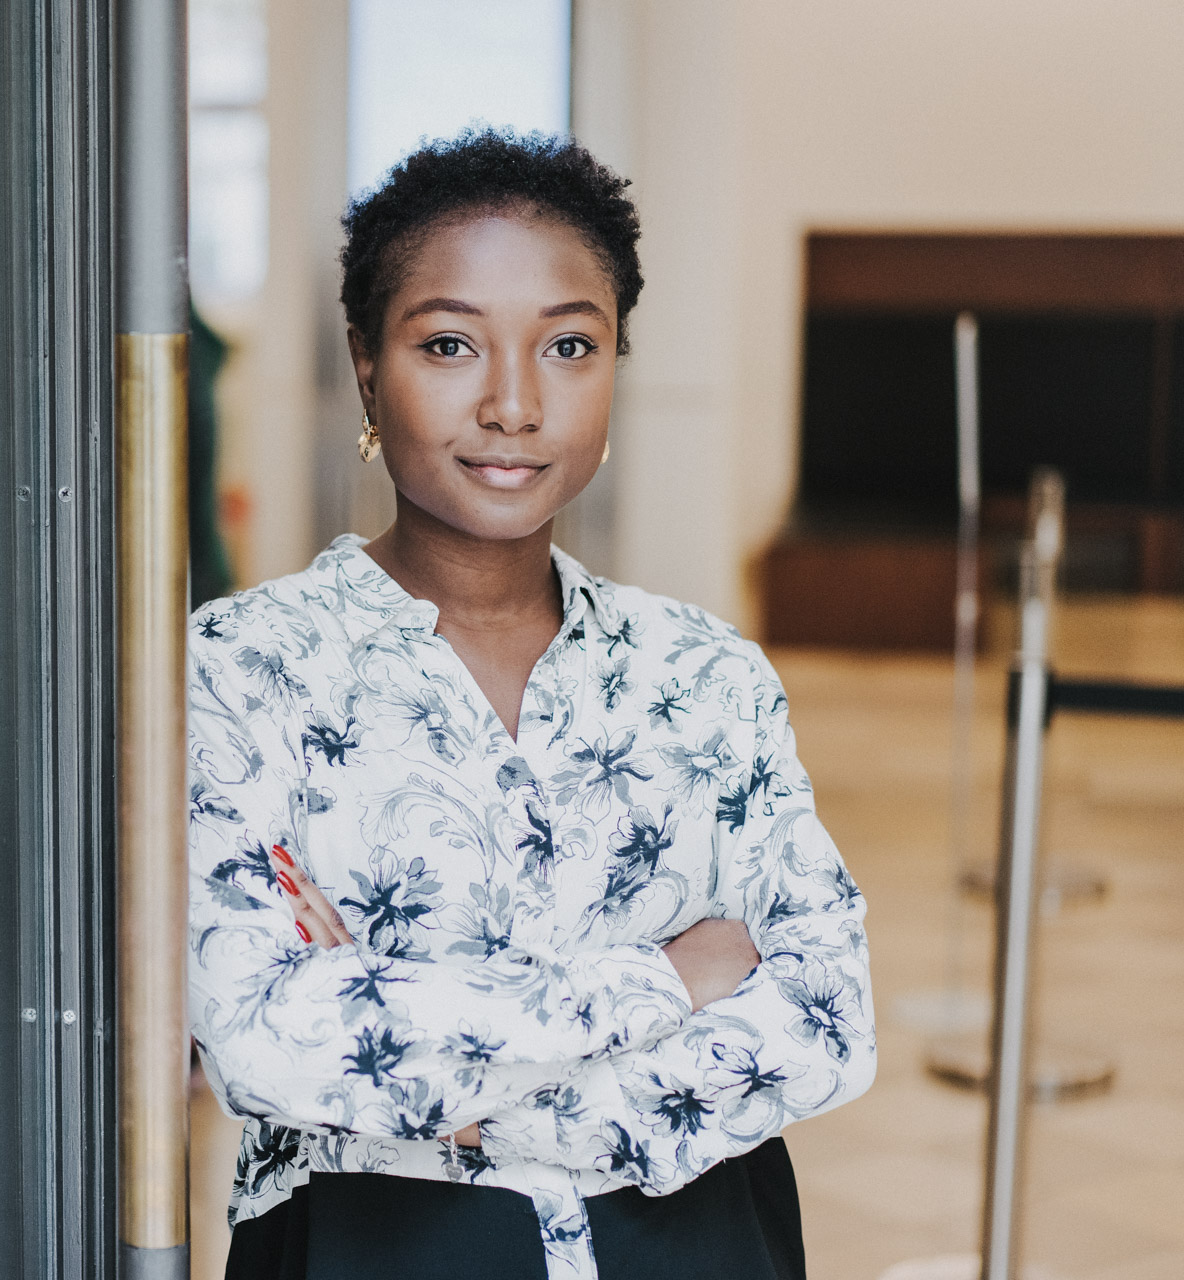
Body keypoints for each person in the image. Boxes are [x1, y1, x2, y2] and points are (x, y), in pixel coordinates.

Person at [187, 132, 874, 1280]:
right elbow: (270, 1041)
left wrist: (438, 1091)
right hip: (382, 1256)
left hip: (701, 1247)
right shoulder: (245, 669)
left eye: (568, 344)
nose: (514, 403)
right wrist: (662, 978)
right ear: (366, 362)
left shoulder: (706, 674)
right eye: (449, 343)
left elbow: (829, 1014)